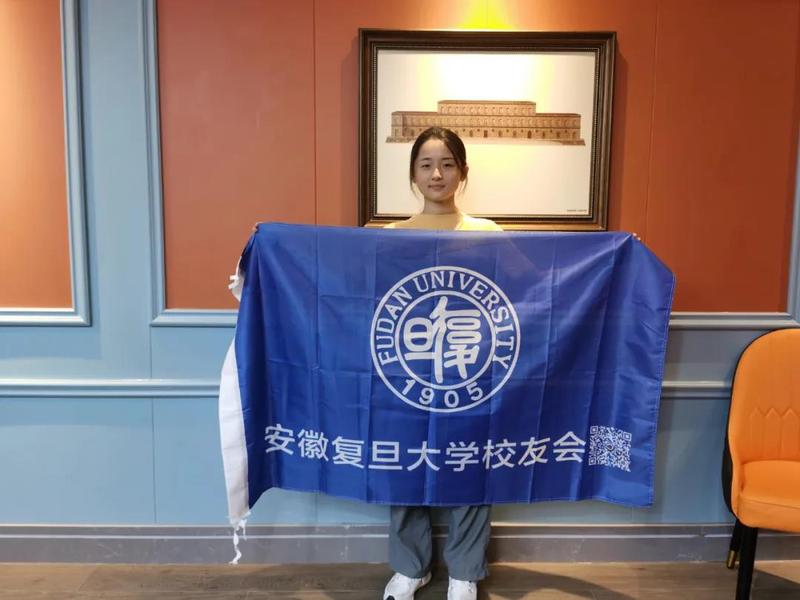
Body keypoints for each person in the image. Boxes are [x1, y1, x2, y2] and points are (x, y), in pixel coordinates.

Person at [383, 127, 501, 600]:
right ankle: (409, 567)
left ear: (463, 172)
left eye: (448, 164)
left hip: (471, 371)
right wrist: (265, 258)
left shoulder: (487, 234)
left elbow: (536, 288)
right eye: (427, 164)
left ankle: (464, 572)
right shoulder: (389, 238)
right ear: (413, 173)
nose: (437, 174)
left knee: (472, 466)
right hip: (406, 372)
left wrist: (617, 257)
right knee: (403, 466)